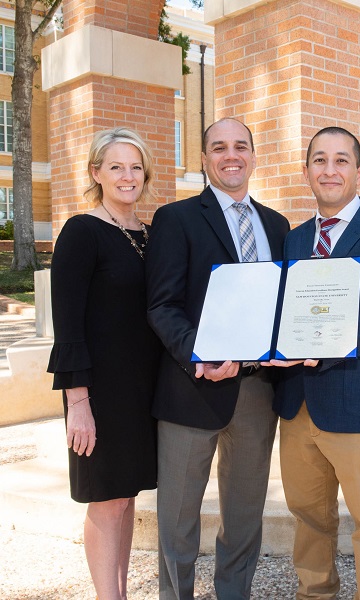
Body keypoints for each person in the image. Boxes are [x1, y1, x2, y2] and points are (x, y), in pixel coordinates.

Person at [267, 126, 360, 599]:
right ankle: (316, 593)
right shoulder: (293, 240)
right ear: (307, 169)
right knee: (309, 517)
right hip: (298, 408)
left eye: (340, 160)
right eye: (319, 160)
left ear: (359, 169)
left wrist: (331, 342)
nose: (329, 170)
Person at [145, 117, 290, 600]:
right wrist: (198, 356)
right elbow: (161, 305)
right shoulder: (177, 218)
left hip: (257, 392)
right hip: (192, 389)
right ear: (205, 158)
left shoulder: (276, 225)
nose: (232, 155)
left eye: (241, 146)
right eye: (219, 147)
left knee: (244, 518)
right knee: (179, 521)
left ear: (253, 154)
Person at [47, 127, 162, 600]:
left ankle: (119, 592)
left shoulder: (150, 234)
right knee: (105, 499)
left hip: (142, 392)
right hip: (99, 394)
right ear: (96, 172)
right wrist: (78, 402)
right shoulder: (81, 232)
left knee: (126, 497)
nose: (127, 175)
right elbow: (68, 324)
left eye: (135, 166)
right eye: (115, 166)